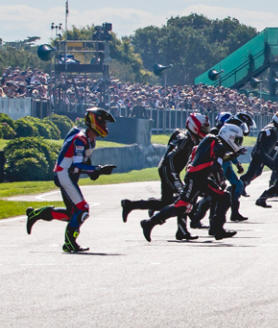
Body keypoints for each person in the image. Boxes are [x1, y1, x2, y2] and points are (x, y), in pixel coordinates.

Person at [26, 107, 116, 252]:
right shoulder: (80, 140)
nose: (105, 127)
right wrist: (98, 169)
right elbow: (76, 164)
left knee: (72, 214)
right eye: (104, 123)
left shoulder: (89, 139)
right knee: (83, 209)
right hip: (64, 175)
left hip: (69, 175)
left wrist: (94, 171)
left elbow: (84, 162)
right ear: (95, 122)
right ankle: (69, 242)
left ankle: (38, 213)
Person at [140, 124, 245, 242]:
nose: (237, 143)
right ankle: (149, 223)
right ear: (229, 137)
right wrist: (222, 176)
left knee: (223, 197)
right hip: (195, 178)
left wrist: (234, 154)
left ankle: (217, 229)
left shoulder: (213, 141)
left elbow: (216, 157)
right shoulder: (214, 143)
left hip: (201, 178)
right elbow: (217, 162)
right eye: (236, 140)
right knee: (181, 206)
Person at [121, 113, 210, 231]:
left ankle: (131, 205)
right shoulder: (184, 139)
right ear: (194, 126)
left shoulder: (186, 136)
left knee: (165, 202)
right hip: (169, 171)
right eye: (203, 127)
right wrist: (173, 174)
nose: (205, 130)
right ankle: (182, 230)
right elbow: (171, 156)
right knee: (184, 197)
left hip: (168, 170)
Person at [239, 110, 278, 186]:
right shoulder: (271, 128)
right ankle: (238, 185)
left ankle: (241, 185)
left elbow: (272, 142)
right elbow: (263, 134)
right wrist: (260, 150)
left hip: (263, 153)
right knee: (275, 168)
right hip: (260, 153)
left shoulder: (276, 129)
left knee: (255, 172)